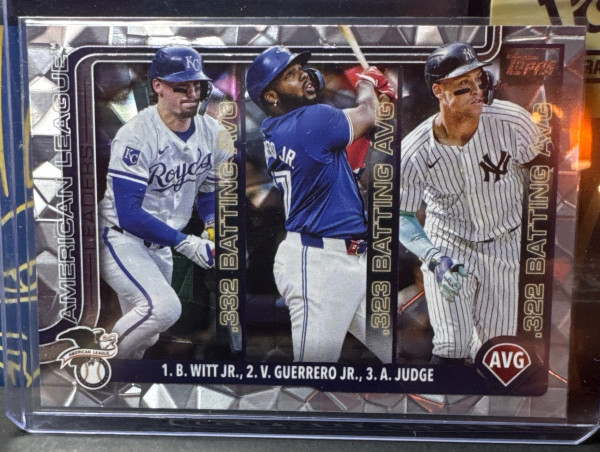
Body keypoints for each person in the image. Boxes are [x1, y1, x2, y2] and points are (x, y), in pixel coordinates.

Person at [246, 45, 395, 362]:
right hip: (318, 265)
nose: (303, 76)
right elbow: (368, 115)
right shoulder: (309, 120)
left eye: (301, 69)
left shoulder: (283, 127)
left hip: (346, 258)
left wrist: (375, 103)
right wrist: (367, 82)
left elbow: (344, 159)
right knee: (312, 374)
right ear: (271, 96)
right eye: (290, 75)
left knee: (398, 356)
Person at [399, 42, 543, 364]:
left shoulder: (513, 122)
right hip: (448, 243)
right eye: (465, 84)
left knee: (495, 350)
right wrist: (433, 258)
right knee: (451, 346)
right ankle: (442, 398)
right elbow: (402, 215)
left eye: (480, 79)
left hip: (504, 242)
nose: (478, 90)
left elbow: (545, 180)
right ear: (439, 90)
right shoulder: (415, 150)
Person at [98, 46, 233, 359]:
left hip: (161, 244)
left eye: (198, 86)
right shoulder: (136, 134)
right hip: (121, 238)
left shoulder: (214, 133)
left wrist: (212, 226)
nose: (192, 94)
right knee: (163, 309)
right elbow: (129, 213)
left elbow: (209, 190)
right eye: (181, 87)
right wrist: (187, 244)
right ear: (157, 86)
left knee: (146, 335)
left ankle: (120, 382)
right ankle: (96, 366)